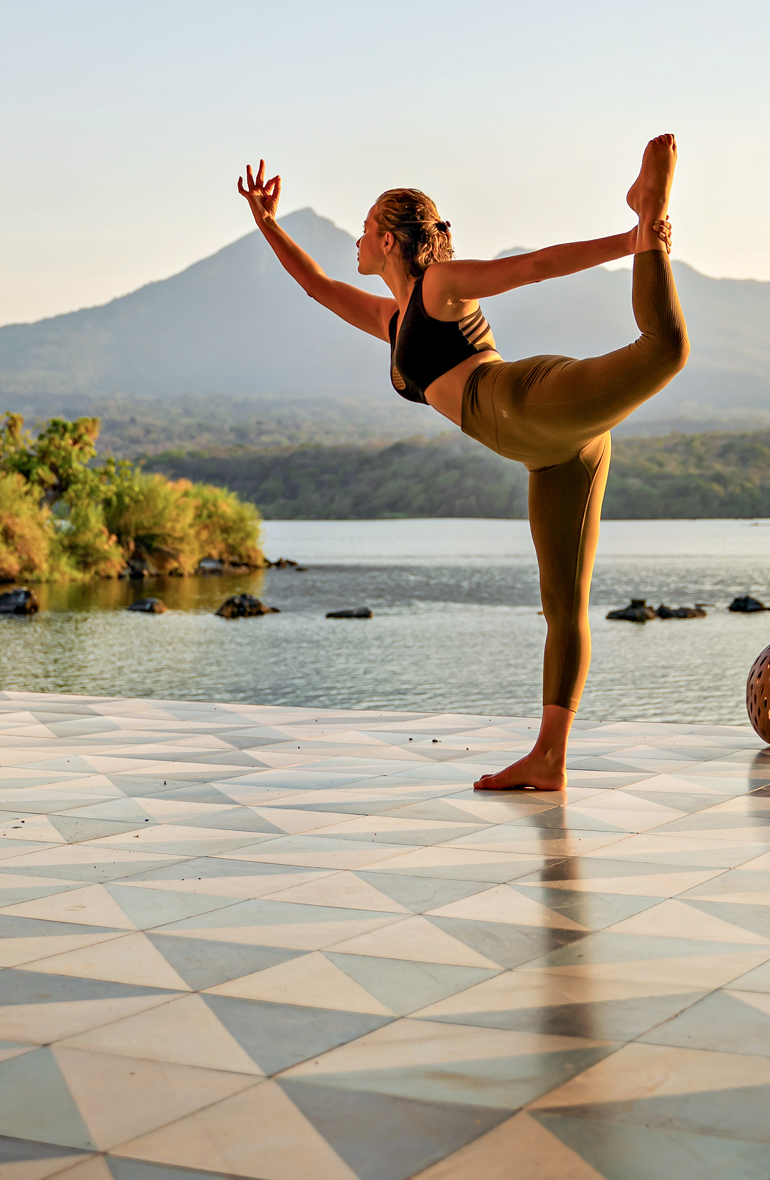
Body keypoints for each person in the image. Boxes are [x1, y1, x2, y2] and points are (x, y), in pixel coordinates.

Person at [236, 136, 688, 790]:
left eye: (364, 228)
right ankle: (549, 759)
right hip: (549, 455)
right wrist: (267, 223)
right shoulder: (394, 319)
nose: (356, 241)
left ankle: (650, 215)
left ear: (388, 239)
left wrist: (631, 240)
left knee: (666, 348)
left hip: (529, 402)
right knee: (563, 608)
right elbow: (317, 287)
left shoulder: (440, 286)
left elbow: (532, 268)